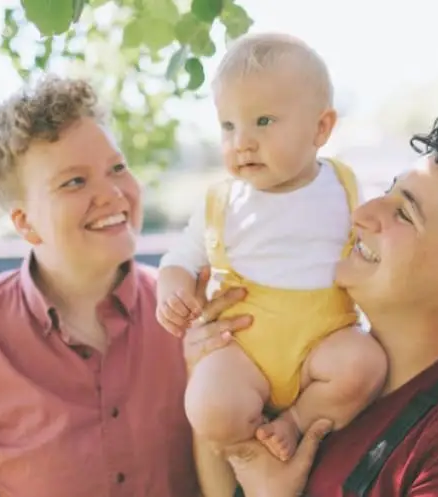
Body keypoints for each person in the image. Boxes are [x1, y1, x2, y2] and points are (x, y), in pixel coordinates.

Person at [183, 115, 438, 496]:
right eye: (388, 190)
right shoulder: (315, 362)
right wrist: (207, 370)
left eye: (403, 213)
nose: (362, 214)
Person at [0, 76, 205, 497]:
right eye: (74, 182)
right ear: (24, 223)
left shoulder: (193, 312)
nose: (112, 194)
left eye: (117, 168)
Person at [156, 33, 387, 497]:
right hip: (245, 350)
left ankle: (297, 420)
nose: (242, 142)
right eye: (227, 126)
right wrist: (172, 287)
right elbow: (181, 256)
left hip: (323, 342)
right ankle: (247, 455)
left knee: (364, 363)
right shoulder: (222, 202)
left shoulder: (343, 187)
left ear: (320, 129)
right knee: (207, 405)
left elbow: (373, 248)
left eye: (263, 122)